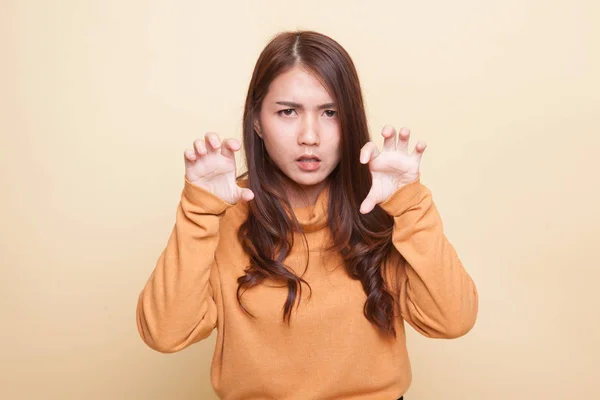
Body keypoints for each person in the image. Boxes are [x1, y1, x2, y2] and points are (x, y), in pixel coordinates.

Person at [136, 30, 478, 400]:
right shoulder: (224, 215)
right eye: (288, 112)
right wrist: (199, 209)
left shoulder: (381, 207)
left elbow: (452, 320)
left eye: (330, 113)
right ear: (256, 121)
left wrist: (410, 204)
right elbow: (164, 334)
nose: (309, 136)